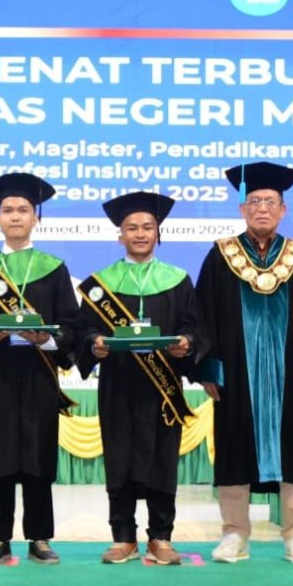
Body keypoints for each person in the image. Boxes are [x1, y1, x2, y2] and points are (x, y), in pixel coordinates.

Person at [195, 162, 293, 564]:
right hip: (236, 373)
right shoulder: (221, 257)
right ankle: (235, 534)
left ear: (283, 210)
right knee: (234, 449)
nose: (262, 209)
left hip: (288, 375)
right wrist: (210, 368)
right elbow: (204, 315)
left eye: (271, 202)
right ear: (242, 209)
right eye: (254, 201)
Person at [77, 192, 207, 566]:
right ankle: (123, 537)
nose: (139, 234)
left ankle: (161, 537)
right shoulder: (101, 284)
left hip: (161, 388)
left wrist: (187, 343)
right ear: (120, 236)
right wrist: (95, 345)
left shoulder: (177, 280)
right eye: (131, 228)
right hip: (117, 385)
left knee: (161, 461)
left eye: (147, 227)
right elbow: (84, 331)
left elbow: (194, 328)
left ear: (158, 233)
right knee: (119, 458)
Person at [0, 172, 78, 566]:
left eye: (23, 210)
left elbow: (70, 325)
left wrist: (47, 339)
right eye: (7, 210)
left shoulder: (54, 268)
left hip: (39, 375)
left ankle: (40, 538)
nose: (15, 216)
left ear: (35, 218)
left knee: (38, 461)